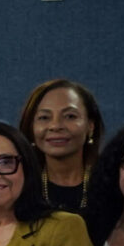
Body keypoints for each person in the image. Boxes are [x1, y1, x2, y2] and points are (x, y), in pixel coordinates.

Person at [20, 78, 103, 214]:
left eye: (70, 116)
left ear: (90, 126)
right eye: (44, 118)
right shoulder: (19, 187)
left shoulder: (112, 184)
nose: (55, 126)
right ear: (31, 128)